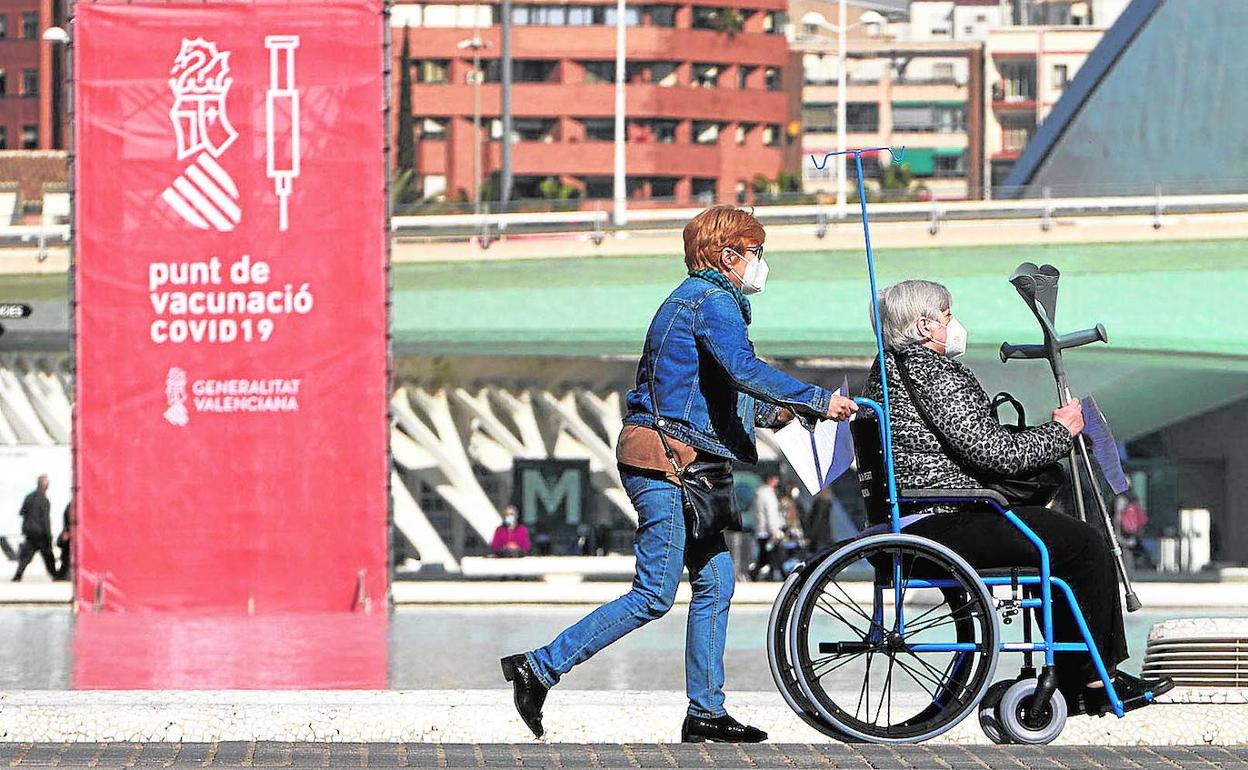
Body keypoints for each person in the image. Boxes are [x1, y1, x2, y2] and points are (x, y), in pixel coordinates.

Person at [501, 205, 857, 743]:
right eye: (756, 252)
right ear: (726, 255)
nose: (762, 263)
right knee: (653, 593)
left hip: (683, 462)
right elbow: (743, 371)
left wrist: (784, 413)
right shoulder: (712, 301)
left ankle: (705, 713)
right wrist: (815, 397)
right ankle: (539, 668)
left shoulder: (700, 302)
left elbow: (715, 393)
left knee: (716, 581)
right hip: (668, 464)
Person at [862, 279, 1172, 714]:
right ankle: (1093, 679)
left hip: (923, 511)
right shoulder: (931, 373)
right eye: (948, 315)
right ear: (926, 325)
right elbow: (993, 453)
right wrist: (1061, 432)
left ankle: (1079, 672)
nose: (955, 324)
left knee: (1059, 539)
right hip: (944, 515)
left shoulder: (888, 369)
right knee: (1084, 544)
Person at [13, 475, 55, 582]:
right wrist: (49, 536)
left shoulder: (28, 497)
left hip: (29, 532)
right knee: (48, 555)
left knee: (26, 557)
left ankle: (18, 575)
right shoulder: (45, 501)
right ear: (45, 486)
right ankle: (55, 574)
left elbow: (21, 512)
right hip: (40, 534)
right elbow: (46, 520)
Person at [747, 473, 785, 581]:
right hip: (768, 531)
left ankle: (760, 574)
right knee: (772, 556)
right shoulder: (769, 495)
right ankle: (776, 575)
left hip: (760, 530)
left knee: (765, 556)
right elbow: (771, 514)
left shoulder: (758, 494)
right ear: (770, 479)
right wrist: (774, 531)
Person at [55, 502, 71, 581]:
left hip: (68, 534)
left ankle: (62, 575)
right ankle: (63, 575)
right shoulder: (72, 505)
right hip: (69, 535)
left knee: (66, 557)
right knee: (67, 557)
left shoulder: (70, 505)